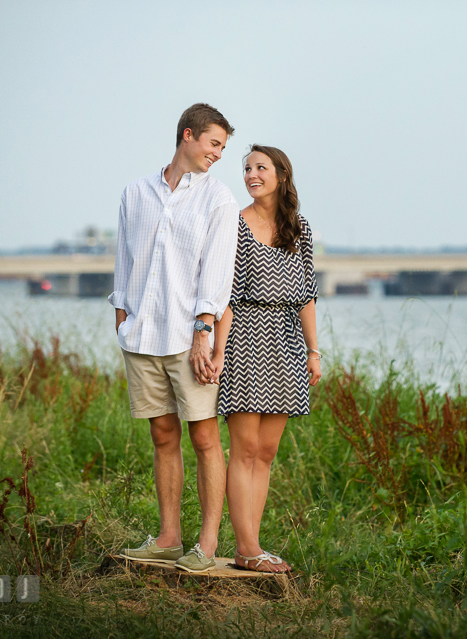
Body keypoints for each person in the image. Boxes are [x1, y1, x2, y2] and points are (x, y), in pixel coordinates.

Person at [111, 103, 239, 573]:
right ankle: (168, 538)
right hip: (141, 334)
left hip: (189, 338)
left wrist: (204, 331)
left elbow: (217, 274)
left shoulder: (218, 200)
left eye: (223, 148)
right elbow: (125, 261)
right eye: (214, 144)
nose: (218, 155)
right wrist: (122, 317)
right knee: (162, 435)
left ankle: (205, 545)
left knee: (205, 438)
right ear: (188, 135)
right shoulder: (134, 193)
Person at [213, 145, 321, 573]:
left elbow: (308, 295)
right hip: (245, 338)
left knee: (267, 451)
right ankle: (249, 549)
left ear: (281, 174)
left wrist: (314, 351)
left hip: (288, 343)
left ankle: (251, 547)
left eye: (261, 168)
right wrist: (218, 351)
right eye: (247, 168)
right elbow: (225, 296)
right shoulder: (234, 224)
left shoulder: (300, 228)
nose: (252, 174)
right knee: (244, 449)